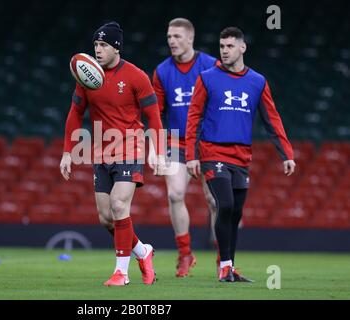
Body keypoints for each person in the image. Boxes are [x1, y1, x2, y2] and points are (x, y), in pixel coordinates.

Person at [185, 27, 296, 282]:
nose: (224, 51)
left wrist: (286, 154)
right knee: (225, 204)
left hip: (242, 157)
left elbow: (272, 119)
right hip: (213, 152)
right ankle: (224, 266)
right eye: (222, 46)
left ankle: (230, 267)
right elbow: (193, 118)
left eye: (230, 46)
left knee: (235, 214)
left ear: (242, 48)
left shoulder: (257, 81)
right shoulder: (207, 78)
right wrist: (192, 155)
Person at [60, 21, 166, 286]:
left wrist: (158, 150)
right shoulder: (87, 78)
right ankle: (143, 251)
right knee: (107, 218)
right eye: (96, 44)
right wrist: (66, 153)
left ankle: (121, 273)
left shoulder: (136, 76)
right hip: (101, 151)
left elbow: (153, 115)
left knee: (120, 205)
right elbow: (75, 114)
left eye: (103, 45)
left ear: (116, 48)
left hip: (130, 147)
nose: (98, 49)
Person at [151, 17, 219, 277]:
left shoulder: (211, 66)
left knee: (215, 200)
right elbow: (155, 113)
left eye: (177, 36)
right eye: (169, 37)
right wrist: (154, 148)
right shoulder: (162, 71)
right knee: (174, 194)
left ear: (190, 38)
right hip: (176, 140)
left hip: (207, 141)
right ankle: (185, 254)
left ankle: (223, 258)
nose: (172, 41)